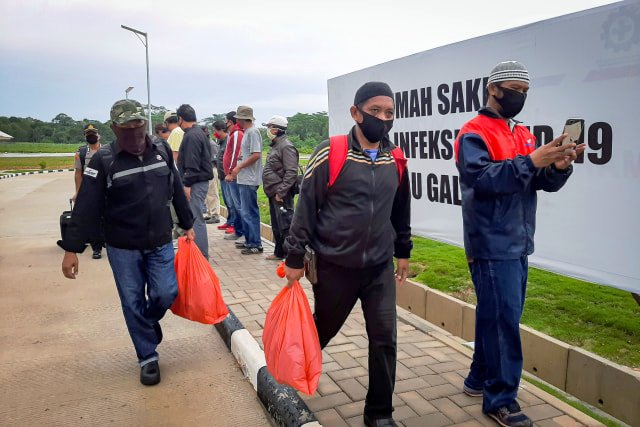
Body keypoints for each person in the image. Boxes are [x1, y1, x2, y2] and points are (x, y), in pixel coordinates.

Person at [454, 61, 585, 427]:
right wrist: (531, 161)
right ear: (493, 89)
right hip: (490, 242)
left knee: (494, 316)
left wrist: (558, 165)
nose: (520, 97)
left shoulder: (523, 133)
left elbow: (538, 181)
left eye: (526, 92)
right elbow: (481, 179)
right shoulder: (473, 133)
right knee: (503, 323)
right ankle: (501, 400)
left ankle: (479, 380)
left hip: (518, 240)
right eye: (515, 89)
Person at [284, 82, 412, 427]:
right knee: (319, 332)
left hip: (378, 270)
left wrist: (403, 252)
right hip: (335, 267)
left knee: (385, 339)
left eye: (389, 113)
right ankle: (289, 379)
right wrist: (294, 258)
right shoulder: (331, 152)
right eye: (375, 112)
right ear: (355, 113)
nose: (382, 119)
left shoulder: (395, 158)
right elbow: (305, 208)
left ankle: (380, 415)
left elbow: (401, 211)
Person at [58, 99, 195, 386]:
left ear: (144, 122)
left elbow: (175, 188)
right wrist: (71, 248)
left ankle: (147, 323)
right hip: (122, 245)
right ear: (114, 128)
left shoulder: (161, 150)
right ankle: (147, 356)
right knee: (132, 302)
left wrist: (188, 224)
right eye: (126, 126)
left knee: (165, 293)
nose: (133, 130)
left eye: (137, 124)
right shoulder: (104, 159)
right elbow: (86, 205)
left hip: (159, 239)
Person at [176, 104, 213, 259]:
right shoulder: (198, 133)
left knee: (195, 218)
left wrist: (187, 184)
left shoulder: (192, 136)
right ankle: (198, 253)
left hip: (196, 182)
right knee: (195, 216)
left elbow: (192, 163)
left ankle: (201, 255)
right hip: (198, 181)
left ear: (180, 119)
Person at [261, 115, 298, 261]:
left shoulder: (286, 146)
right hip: (273, 192)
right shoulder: (276, 145)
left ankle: (289, 257)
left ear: (276, 130)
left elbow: (291, 172)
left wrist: (281, 192)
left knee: (286, 225)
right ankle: (279, 253)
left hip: (281, 194)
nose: (268, 130)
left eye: (270, 127)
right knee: (276, 225)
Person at [228, 105, 263, 255]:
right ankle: (249, 241)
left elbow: (256, 155)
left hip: (249, 179)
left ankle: (255, 243)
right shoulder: (247, 132)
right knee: (245, 212)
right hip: (244, 179)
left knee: (250, 212)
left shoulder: (253, 132)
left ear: (242, 119)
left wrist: (239, 167)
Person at [72, 123, 104, 259]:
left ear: (99, 135)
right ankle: (96, 248)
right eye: (88, 134)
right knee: (94, 220)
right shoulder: (81, 153)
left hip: (107, 190)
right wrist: (78, 192)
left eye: (93, 134)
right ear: (85, 136)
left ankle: (108, 241)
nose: (91, 136)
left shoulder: (108, 151)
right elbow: (78, 174)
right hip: (90, 191)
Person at [222, 111, 244, 240]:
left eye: (226, 120)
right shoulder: (233, 134)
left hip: (233, 176)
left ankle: (239, 231)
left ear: (230, 122)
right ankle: (239, 230)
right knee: (236, 205)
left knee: (237, 205)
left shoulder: (236, 134)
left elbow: (235, 154)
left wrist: (231, 172)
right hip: (231, 175)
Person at [212, 120, 235, 231]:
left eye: (215, 130)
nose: (214, 133)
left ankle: (233, 224)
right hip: (222, 176)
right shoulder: (221, 142)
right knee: (227, 201)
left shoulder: (228, 141)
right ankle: (230, 221)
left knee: (231, 202)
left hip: (227, 176)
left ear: (221, 130)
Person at [204, 125, 221, 224]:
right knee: (208, 193)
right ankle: (210, 213)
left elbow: (215, 159)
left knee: (213, 193)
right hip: (207, 170)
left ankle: (215, 214)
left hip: (212, 169)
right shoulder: (205, 143)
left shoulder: (211, 144)